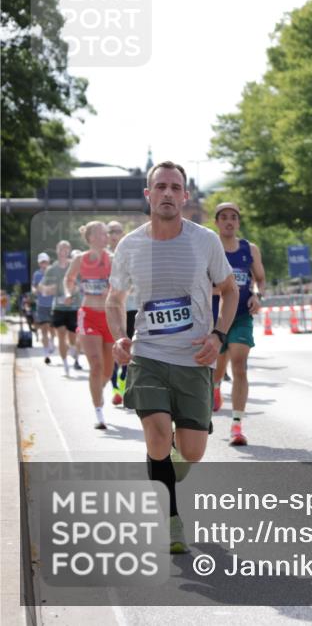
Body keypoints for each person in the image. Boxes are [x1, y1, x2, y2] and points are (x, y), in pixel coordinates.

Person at [106, 161, 238, 554]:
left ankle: (166, 463)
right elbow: (115, 299)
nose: (167, 193)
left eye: (175, 187)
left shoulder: (205, 241)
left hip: (195, 357)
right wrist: (119, 336)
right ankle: (170, 519)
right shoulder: (130, 245)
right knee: (159, 436)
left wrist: (218, 334)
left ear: (185, 196)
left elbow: (229, 290)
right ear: (148, 195)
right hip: (148, 354)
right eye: (160, 186)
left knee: (192, 451)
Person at [209, 202, 265, 447]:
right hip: (215, 317)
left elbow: (260, 279)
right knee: (216, 367)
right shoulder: (209, 248)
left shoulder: (249, 249)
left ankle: (237, 426)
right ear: (216, 222)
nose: (229, 221)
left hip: (241, 315)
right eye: (224, 217)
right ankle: (215, 387)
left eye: (233, 217)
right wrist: (219, 289)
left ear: (239, 222)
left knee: (239, 365)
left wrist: (257, 295)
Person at [63, 221, 115, 429]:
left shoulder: (113, 259)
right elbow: (69, 279)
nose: (107, 237)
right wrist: (69, 292)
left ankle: (98, 391)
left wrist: (113, 290)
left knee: (108, 371)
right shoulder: (80, 259)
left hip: (109, 317)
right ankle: (99, 412)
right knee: (95, 364)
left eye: (107, 234)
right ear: (91, 237)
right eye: (103, 233)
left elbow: (125, 284)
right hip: (88, 315)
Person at [106, 220, 137, 405]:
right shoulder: (103, 257)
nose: (114, 234)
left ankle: (124, 384)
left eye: (117, 231)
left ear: (123, 233)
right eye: (111, 231)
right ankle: (116, 389)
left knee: (128, 347)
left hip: (131, 308)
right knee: (113, 350)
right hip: (110, 310)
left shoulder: (130, 254)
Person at [41, 240, 83, 376]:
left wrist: (73, 290)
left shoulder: (74, 266)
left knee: (72, 337)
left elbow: (81, 284)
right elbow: (43, 286)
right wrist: (48, 289)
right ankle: (65, 365)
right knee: (60, 334)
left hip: (73, 307)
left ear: (69, 251)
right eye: (61, 248)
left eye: (66, 249)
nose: (63, 251)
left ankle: (72, 347)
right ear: (57, 250)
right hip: (58, 307)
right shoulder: (51, 269)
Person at [32, 253, 55, 364]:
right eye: (42, 262)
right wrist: (35, 290)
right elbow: (34, 286)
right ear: (39, 263)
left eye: (45, 262)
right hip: (41, 305)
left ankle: (51, 342)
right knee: (44, 329)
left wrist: (50, 290)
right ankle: (46, 354)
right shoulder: (37, 274)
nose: (44, 264)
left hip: (53, 305)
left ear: (48, 262)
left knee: (52, 329)